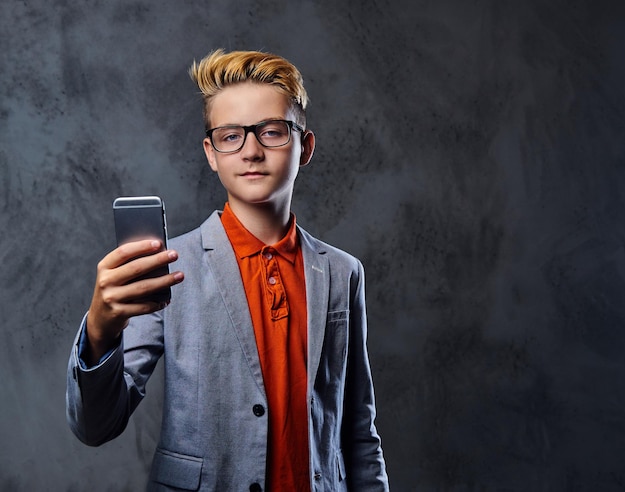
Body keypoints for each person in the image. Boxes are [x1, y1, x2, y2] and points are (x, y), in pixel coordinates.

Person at [66, 49, 389, 491]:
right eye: (231, 136)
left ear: (305, 146)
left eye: (272, 132)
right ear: (211, 153)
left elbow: (358, 431)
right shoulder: (168, 267)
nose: (251, 151)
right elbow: (96, 426)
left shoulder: (342, 272)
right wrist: (100, 332)